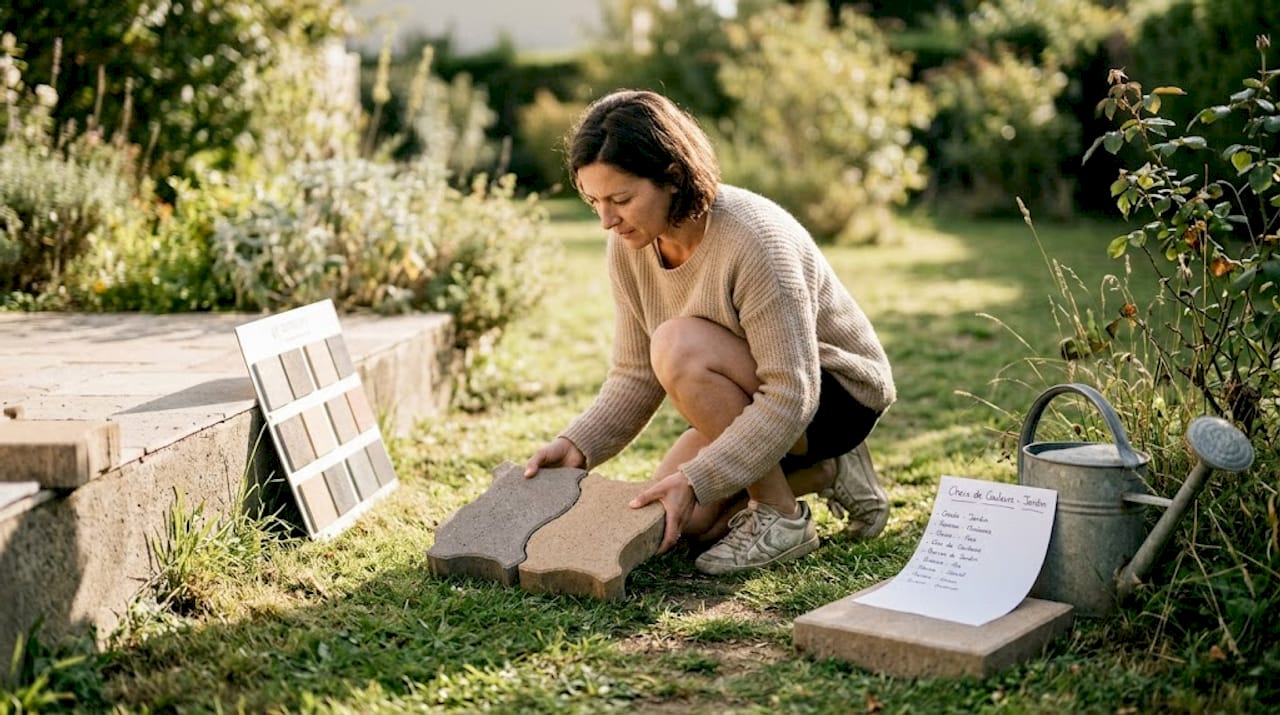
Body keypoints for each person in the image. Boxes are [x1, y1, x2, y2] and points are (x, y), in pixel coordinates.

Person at [523, 89, 896, 575]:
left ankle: (782, 518)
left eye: (621, 199)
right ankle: (830, 470)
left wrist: (701, 476)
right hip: (759, 392)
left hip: (832, 397)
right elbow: (636, 374)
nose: (606, 221)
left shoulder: (756, 240)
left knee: (678, 347)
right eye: (594, 201)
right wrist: (577, 446)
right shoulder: (629, 246)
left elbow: (792, 392)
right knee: (683, 522)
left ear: (673, 178)